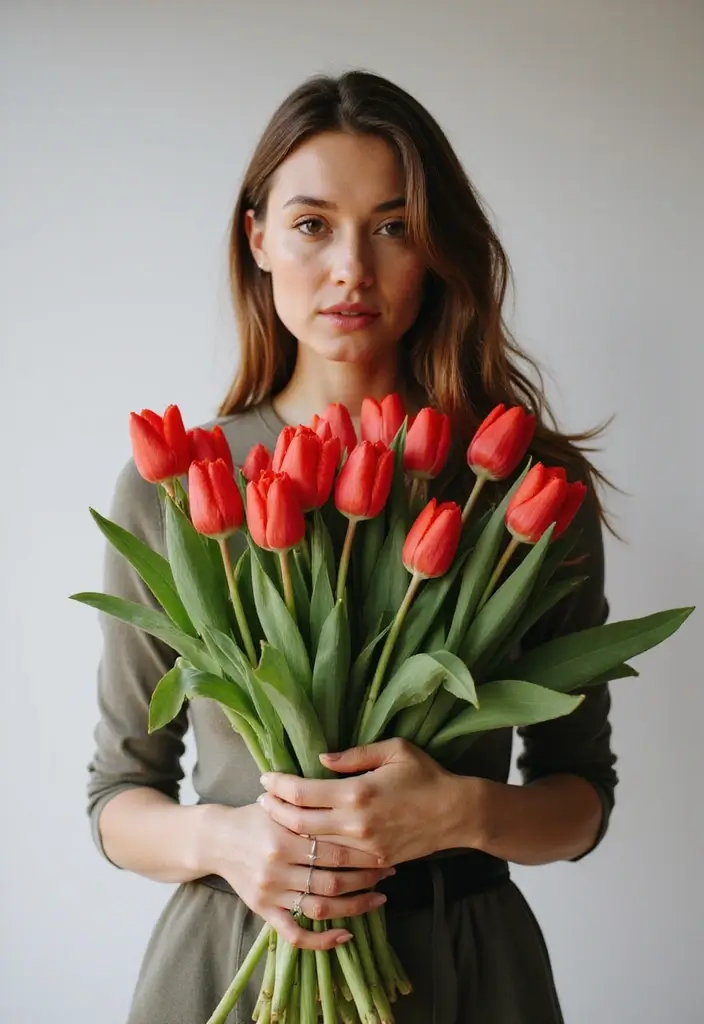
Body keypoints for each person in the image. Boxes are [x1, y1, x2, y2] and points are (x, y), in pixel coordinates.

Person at [87, 70, 618, 1024]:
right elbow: (119, 797)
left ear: (437, 247)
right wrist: (229, 843)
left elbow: (581, 796)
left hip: (462, 968)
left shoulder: (516, 492)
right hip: (232, 964)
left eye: (393, 225)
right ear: (256, 237)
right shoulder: (179, 481)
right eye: (311, 224)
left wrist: (464, 813)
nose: (350, 270)